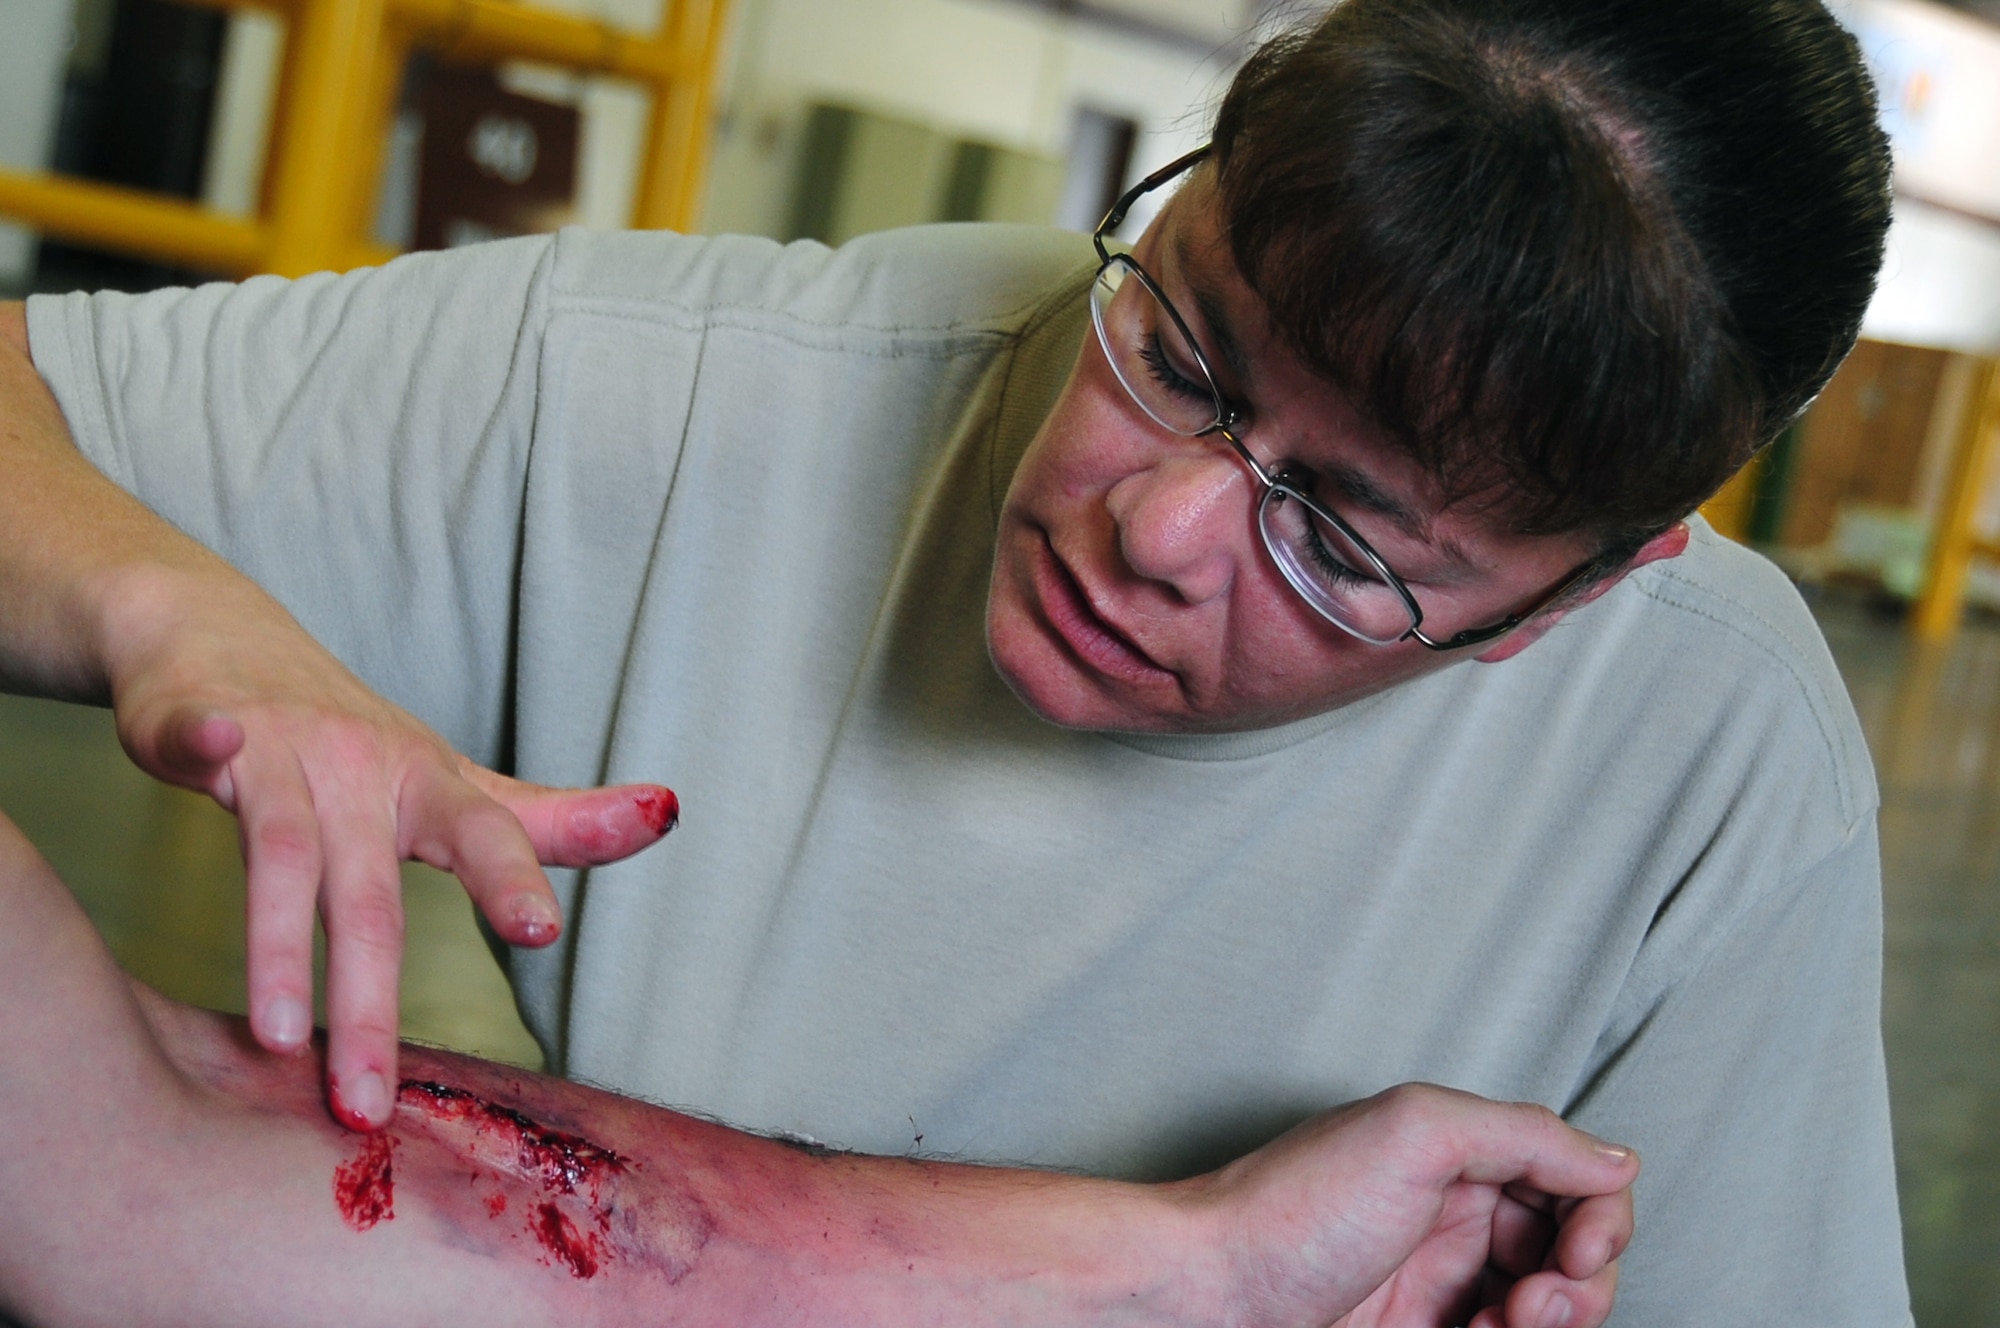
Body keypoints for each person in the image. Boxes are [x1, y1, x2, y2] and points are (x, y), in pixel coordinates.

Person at [0, 0, 1907, 1322]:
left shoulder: (1711, 763)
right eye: (1182, 351)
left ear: (1571, 600)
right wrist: (176, 608)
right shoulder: (691, 394)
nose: (1156, 528)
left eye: (1339, 541)